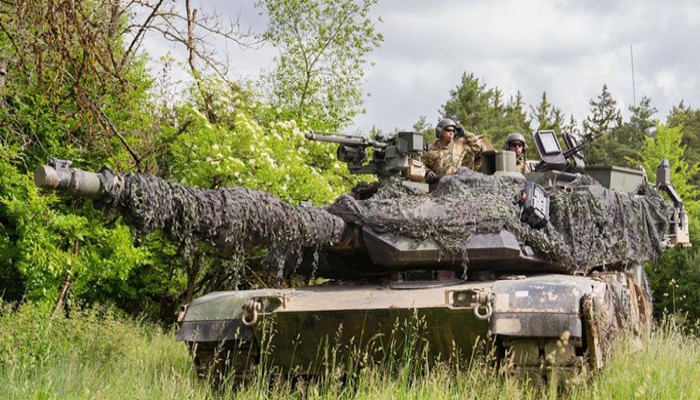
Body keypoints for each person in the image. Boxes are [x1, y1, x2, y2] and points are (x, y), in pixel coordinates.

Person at [422, 118, 482, 185]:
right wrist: (428, 172)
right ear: (440, 131)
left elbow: (477, 146)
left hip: (457, 185)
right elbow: (422, 164)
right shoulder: (431, 149)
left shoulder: (460, 145)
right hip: (437, 186)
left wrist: (465, 133)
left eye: (453, 131)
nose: (451, 132)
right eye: (448, 130)